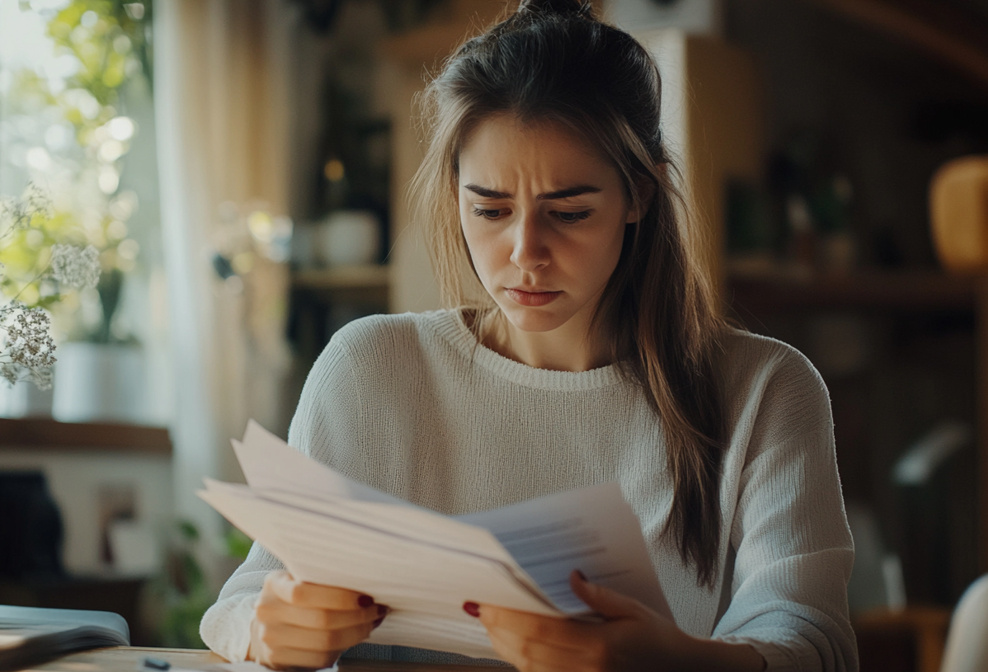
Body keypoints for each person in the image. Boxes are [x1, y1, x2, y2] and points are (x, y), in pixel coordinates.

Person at [200, 1, 858, 670]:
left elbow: (814, 642)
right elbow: (245, 598)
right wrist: (264, 631)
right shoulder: (370, 368)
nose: (525, 252)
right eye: (489, 208)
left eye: (568, 212)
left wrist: (681, 662)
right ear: (454, 192)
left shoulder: (765, 390)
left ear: (640, 195)